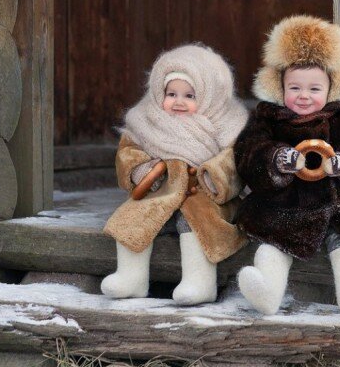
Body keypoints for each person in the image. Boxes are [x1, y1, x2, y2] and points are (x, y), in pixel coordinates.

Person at [234, 16, 340, 317]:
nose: (304, 96)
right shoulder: (268, 118)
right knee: (273, 242)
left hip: (337, 203)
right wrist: (277, 159)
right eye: (295, 87)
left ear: (333, 87)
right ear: (279, 85)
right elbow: (249, 152)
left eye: (314, 89)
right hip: (283, 205)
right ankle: (266, 292)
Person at [101, 44, 248, 305]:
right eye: (171, 93)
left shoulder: (228, 124)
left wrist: (215, 176)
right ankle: (131, 278)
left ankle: (200, 282)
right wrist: (141, 169)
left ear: (209, 96)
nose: (179, 101)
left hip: (204, 196)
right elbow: (128, 151)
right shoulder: (145, 120)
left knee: (194, 221)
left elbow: (235, 161)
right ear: (159, 92)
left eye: (190, 96)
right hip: (161, 192)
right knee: (134, 217)